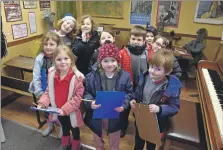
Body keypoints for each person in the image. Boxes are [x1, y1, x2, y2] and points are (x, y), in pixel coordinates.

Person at [83, 43, 133, 150]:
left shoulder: (125, 76)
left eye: (113, 60)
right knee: (97, 135)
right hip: (97, 113)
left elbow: (129, 93)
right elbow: (87, 92)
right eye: (105, 61)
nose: (110, 64)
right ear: (100, 62)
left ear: (118, 61)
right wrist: (90, 102)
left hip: (116, 113)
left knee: (114, 137)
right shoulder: (91, 76)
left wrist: (124, 105)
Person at [130, 49, 182, 150]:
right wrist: (133, 99)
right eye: (151, 66)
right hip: (141, 117)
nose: (152, 71)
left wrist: (160, 109)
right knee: (138, 142)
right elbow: (137, 92)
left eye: (158, 69)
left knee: (151, 145)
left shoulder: (171, 87)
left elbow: (174, 107)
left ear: (167, 72)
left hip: (156, 123)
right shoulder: (144, 77)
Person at [37, 45, 85, 150]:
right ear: (54, 61)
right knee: (64, 127)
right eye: (59, 59)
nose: (63, 62)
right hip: (58, 109)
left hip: (71, 111)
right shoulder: (52, 75)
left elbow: (77, 98)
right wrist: (42, 103)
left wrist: (65, 109)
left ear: (71, 60)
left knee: (74, 128)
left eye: (66, 58)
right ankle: (65, 142)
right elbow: (49, 92)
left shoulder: (77, 78)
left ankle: (76, 144)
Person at [29, 31, 63, 138]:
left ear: (58, 45)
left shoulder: (61, 57)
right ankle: (50, 125)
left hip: (59, 91)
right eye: (46, 44)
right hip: (44, 90)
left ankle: (62, 127)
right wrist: (39, 92)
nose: (48, 47)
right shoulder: (40, 58)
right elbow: (36, 76)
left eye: (52, 44)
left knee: (59, 110)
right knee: (47, 110)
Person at [119, 26, 148, 137]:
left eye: (139, 40)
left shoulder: (147, 53)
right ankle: (122, 126)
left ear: (144, 41)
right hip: (126, 86)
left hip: (141, 87)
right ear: (129, 39)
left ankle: (139, 127)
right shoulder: (123, 52)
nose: (136, 42)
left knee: (139, 108)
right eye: (133, 39)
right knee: (124, 108)